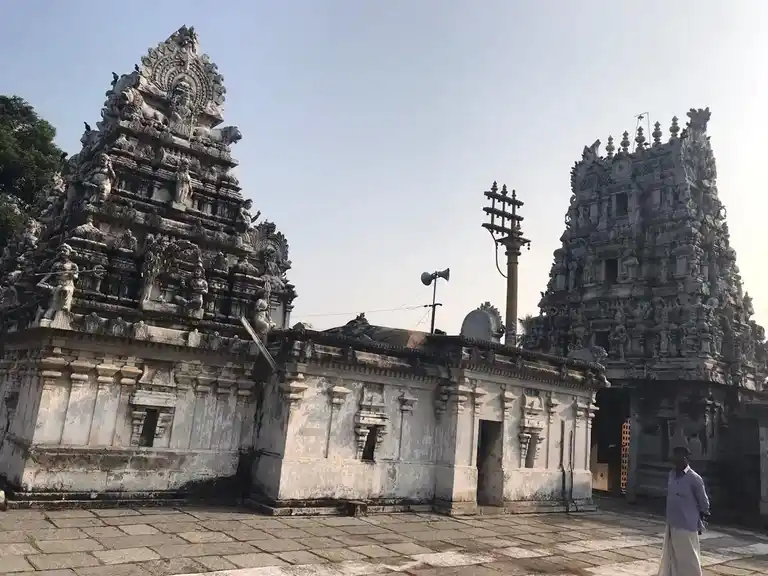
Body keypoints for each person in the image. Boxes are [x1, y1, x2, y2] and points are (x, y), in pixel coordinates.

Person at [657, 440, 710, 576]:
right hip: (672, 521)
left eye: (678, 457)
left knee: (689, 555)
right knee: (673, 555)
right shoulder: (671, 475)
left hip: (687, 523)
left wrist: (702, 520)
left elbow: (704, 503)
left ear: (685, 459)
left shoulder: (694, 478)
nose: (675, 461)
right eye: (674, 457)